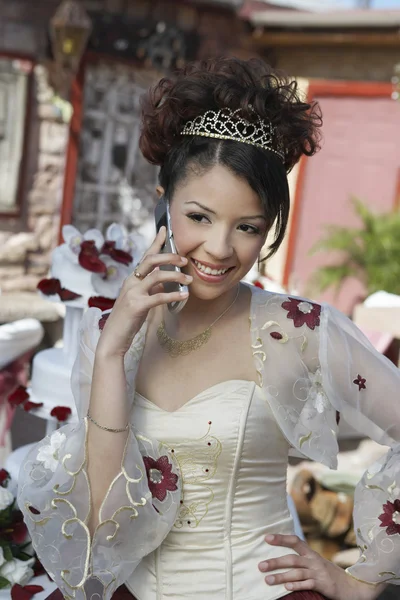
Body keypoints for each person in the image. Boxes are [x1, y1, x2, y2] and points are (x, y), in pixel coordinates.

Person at [18, 58, 400, 600]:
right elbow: (102, 528)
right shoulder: (110, 335)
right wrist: (110, 356)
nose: (220, 250)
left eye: (247, 227)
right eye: (199, 217)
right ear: (164, 203)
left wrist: (363, 580)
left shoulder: (297, 329)